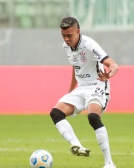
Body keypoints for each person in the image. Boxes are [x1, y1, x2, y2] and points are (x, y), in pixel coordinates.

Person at [49, 17, 118, 168]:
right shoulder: (66, 46)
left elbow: (113, 65)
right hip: (81, 87)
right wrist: (70, 92)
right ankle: (76, 145)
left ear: (78, 32)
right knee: (55, 112)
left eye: (69, 35)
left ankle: (109, 163)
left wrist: (108, 74)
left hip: (97, 85)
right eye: (63, 35)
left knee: (93, 116)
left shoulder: (89, 45)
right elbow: (75, 67)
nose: (66, 39)